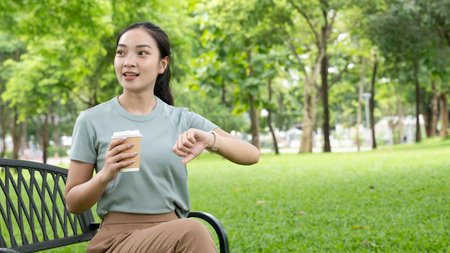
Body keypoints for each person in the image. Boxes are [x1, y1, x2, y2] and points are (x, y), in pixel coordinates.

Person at [65, 21, 260, 253]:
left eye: (142, 53)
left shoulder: (181, 119)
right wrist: (105, 175)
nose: (128, 62)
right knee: (194, 231)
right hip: (117, 241)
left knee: (189, 231)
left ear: (162, 64)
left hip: (174, 233)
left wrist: (210, 140)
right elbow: (73, 203)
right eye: (121, 52)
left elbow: (252, 154)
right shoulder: (92, 120)